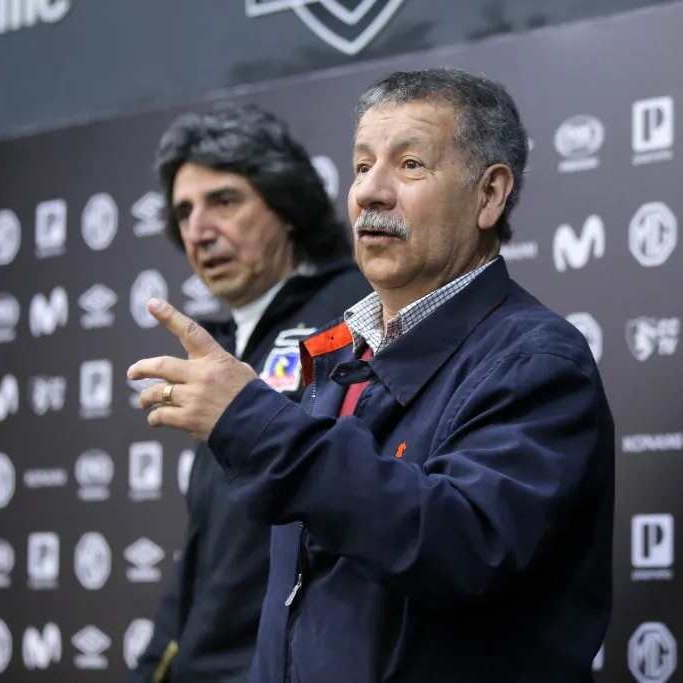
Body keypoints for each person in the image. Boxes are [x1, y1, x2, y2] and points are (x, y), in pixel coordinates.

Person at [129, 68, 615, 682]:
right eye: (362, 167)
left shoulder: (537, 362)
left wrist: (254, 422)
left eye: (409, 165)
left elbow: (462, 546)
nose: (369, 193)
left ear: (489, 195)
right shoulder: (338, 353)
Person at [130, 102, 372, 683]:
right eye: (185, 211)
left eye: (224, 201)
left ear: (286, 207)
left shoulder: (361, 310)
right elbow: (210, 550)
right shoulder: (222, 343)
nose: (199, 230)